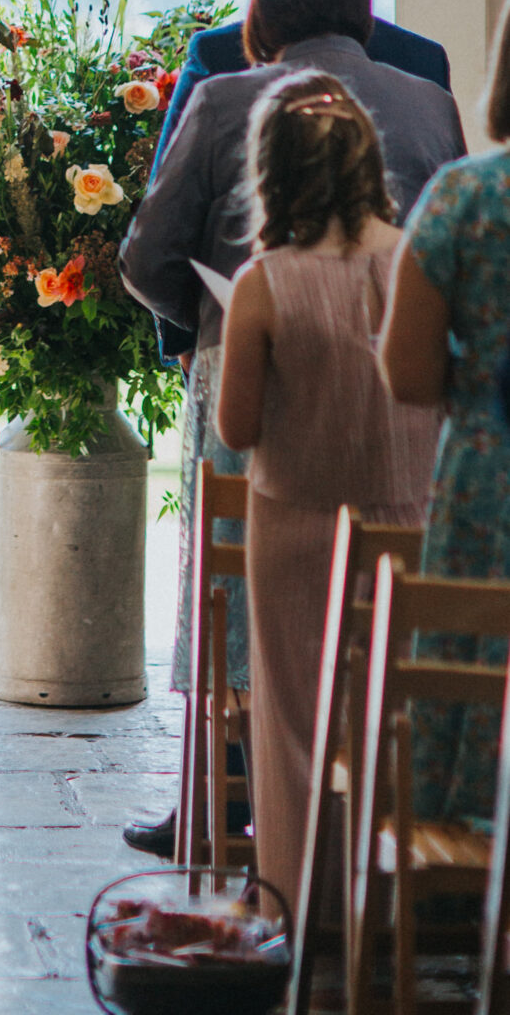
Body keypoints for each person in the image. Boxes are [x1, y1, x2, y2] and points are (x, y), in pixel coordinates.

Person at [119, 0, 463, 860]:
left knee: (239, 591)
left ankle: (229, 795)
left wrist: (199, 328)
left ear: (259, 20)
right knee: (383, 610)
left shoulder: (227, 95)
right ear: (360, 8)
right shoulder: (429, 100)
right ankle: (386, 810)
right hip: (409, 410)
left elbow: (147, 253)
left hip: (264, 368)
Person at [214, 72, 439, 911]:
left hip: (300, 526)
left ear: (270, 172)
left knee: (296, 723)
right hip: (405, 522)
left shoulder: (263, 283)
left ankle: (296, 904)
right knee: (388, 716)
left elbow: (236, 429)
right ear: (368, 162)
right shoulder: (413, 259)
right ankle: (392, 907)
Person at [145, 0, 449, 364]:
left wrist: (212, 324)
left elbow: (161, 232)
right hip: (395, 350)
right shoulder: (422, 62)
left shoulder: (219, 55)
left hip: (248, 358)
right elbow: (442, 228)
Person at [379, 0, 510, 826]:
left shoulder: (466, 198)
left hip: (487, 480)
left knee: (468, 669)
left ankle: (457, 864)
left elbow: (405, 370)